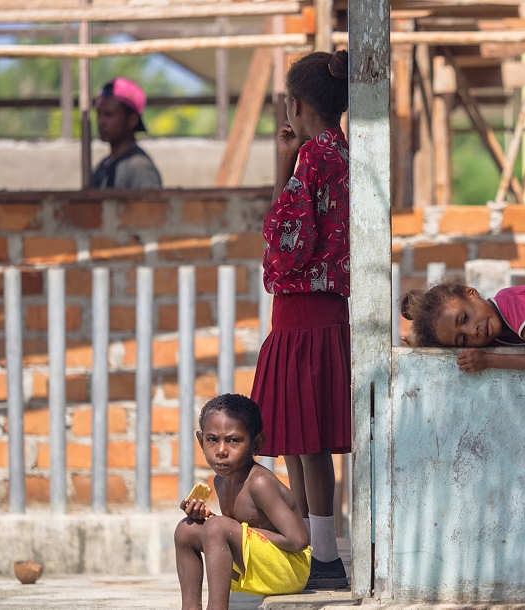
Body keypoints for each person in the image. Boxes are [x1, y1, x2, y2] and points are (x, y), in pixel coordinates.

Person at [249, 49, 351, 589]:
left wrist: (284, 167)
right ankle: (315, 552)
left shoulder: (313, 158)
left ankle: (323, 558)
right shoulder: (343, 153)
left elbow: (284, 242)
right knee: (302, 439)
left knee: (304, 442)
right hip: (325, 313)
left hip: (300, 315)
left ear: (295, 103)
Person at [174, 394, 311, 610]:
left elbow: (298, 540)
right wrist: (207, 520)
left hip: (289, 570)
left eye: (233, 440)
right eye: (212, 439)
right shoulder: (221, 481)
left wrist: (225, 528)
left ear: (257, 444)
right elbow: (236, 535)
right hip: (261, 564)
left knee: (218, 527)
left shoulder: (259, 483)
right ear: (201, 441)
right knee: (186, 530)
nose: (221, 451)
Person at [91, 77, 162, 189]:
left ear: (132, 120)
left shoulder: (140, 168)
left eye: (109, 114)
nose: (101, 121)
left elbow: (150, 206)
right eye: (99, 114)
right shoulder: (103, 166)